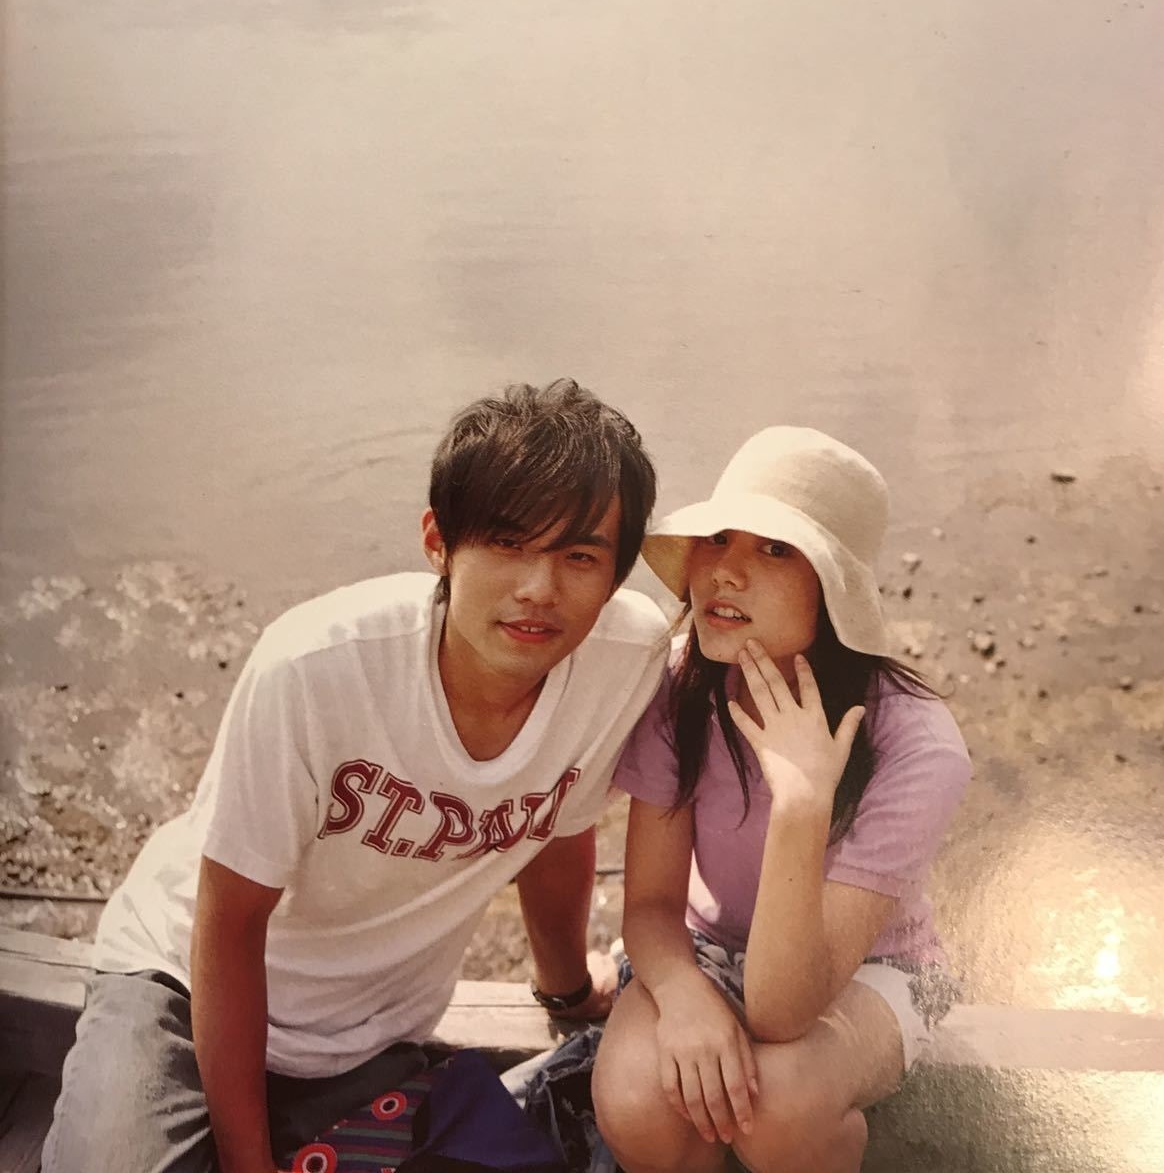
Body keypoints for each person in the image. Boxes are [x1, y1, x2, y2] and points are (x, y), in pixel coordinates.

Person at [43, 380, 669, 1173]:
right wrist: (247, 1164)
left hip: (373, 1032)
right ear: (438, 542)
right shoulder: (317, 669)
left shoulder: (626, 661)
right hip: (182, 987)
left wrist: (569, 994)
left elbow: (556, 832)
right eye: (508, 544)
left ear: (616, 574)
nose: (538, 590)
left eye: (579, 556)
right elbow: (229, 922)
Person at [592, 426, 972, 1173]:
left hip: (874, 970)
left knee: (777, 1107)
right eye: (717, 539)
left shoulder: (917, 746)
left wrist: (802, 803)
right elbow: (653, 906)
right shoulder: (680, 688)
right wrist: (686, 996)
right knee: (637, 1102)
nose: (725, 573)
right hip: (706, 945)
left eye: (774, 549)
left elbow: (782, 1009)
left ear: (834, 589)